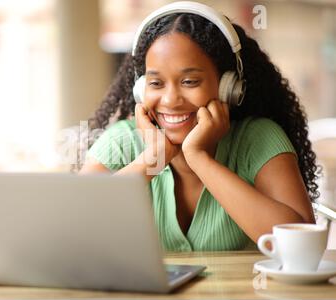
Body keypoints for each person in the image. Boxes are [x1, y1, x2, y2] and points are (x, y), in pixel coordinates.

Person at [79, 2, 318, 251]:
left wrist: (200, 158)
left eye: (189, 81)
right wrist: (153, 159)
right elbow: (71, 228)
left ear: (229, 86)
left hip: (243, 292)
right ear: (141, 89)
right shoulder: (122, 142)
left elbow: (303, 247)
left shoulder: (258, 139)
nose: (170, 100)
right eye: (156, 83)